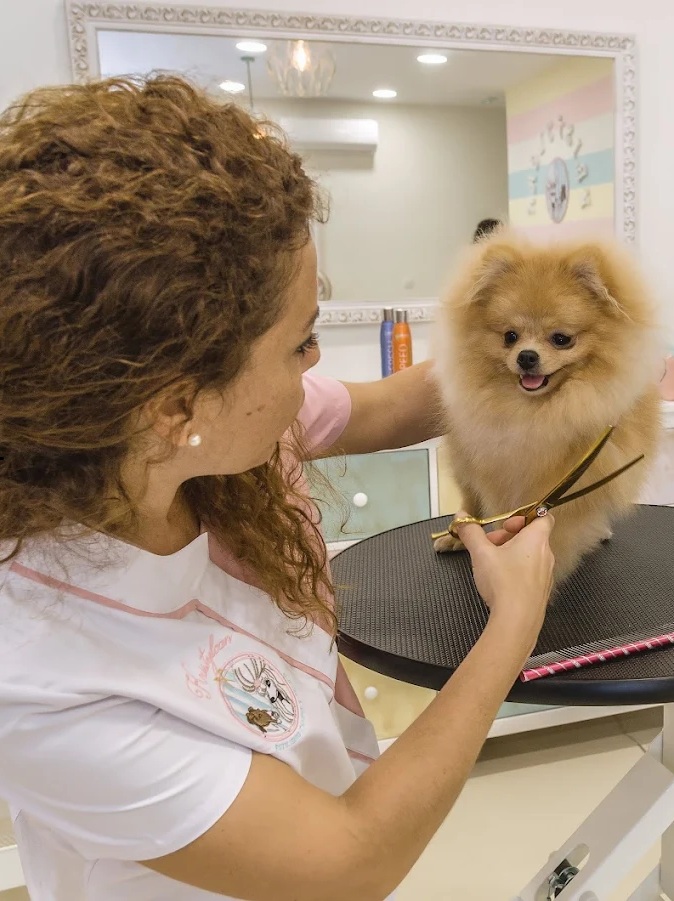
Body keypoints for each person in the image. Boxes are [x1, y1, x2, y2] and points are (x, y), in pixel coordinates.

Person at [0, 75, 554, 901]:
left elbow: (401, 401)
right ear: (175, 404)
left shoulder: (215, 439)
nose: (317, 365)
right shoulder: (42, 675)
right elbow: (347, 859)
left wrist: (549, 346)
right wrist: (511, 624)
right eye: (300, 343)